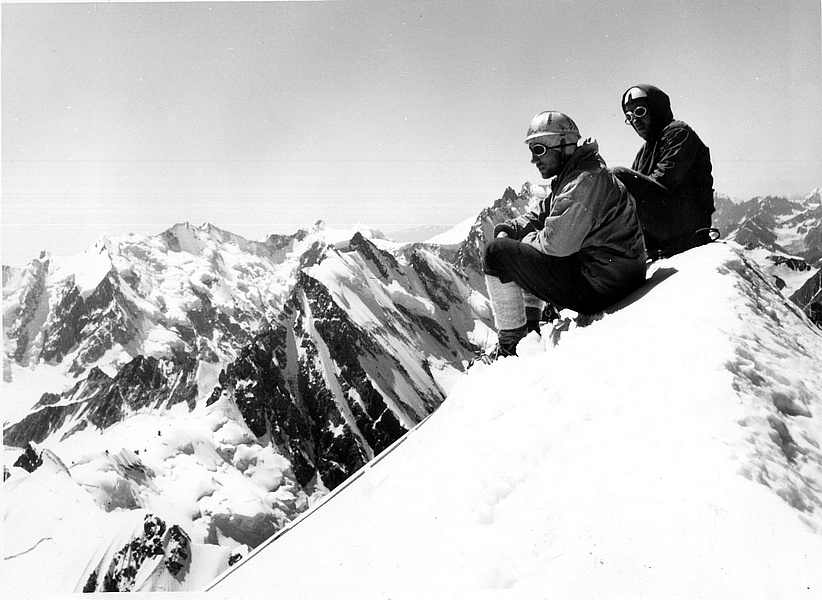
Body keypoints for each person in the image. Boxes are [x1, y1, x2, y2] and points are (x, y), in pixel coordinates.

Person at [481, 111, 647, 359]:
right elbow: (542, 213)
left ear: (563, 144)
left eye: (538, 149)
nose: (533, 160)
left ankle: (511, 347)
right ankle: (530, 330)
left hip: (604, 287)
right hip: (618, 276)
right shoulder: (579, 172)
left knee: (495, 254)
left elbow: (554, 244)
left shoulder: (580, 183)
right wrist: (513, 228)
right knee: (525, 243)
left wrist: (514, 241)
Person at [614, 84, 715, 258]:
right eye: (629, 116)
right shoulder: (645, 151)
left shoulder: (678, 133)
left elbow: (664, 180)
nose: (635, 121)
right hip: (672, 225)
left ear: (656, 109)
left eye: (640, 112)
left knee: (618, 176)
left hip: (688, 225)